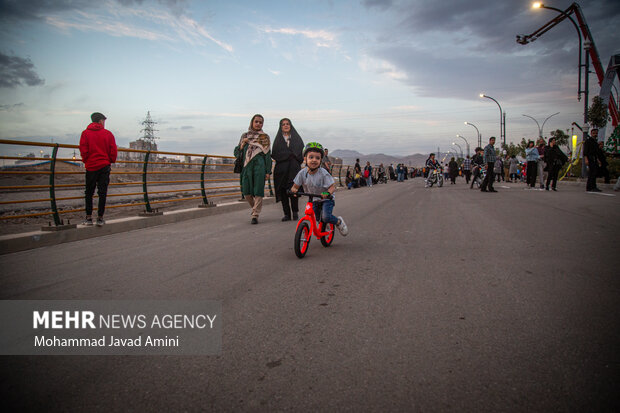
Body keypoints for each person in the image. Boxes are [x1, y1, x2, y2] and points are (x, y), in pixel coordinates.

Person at [290, 142, 348, 236]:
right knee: (317, 218)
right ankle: (323, 225)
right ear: (305, 159)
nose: (314, 160)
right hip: (314, 199)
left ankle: (338, 222)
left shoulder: (323, 173)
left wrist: (327, 193)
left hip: (326, 199)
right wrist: (293, 191)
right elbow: (295, 186)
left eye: (317, 158)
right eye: (311, 157)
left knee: (325, 217)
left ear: (321, 160)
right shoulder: (302, 173)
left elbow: (332, 186)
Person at [79, 112, 117, 226]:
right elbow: (113, 150)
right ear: (100, 121)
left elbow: (83, 149)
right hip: (104, 166)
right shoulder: (108, 134)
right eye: (104, 121)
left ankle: (88, 218)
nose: (104, 123)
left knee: (89, 192)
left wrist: (87, 160)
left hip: (91, 166)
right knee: (102, 192)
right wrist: (109, 161)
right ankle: (100, 218)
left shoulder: (85, 133)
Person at [235, 114, 271, 224]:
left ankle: (255, 215)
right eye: (256, 121)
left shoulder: (265, 137)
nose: (258, 124)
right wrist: (242, 145)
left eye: (261, 122)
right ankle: (255, 209)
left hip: (259, 166)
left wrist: (268, 171)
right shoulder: (244, 136)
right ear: (252, 122)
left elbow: (267, 155)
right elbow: (236, 153)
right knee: (246, 192)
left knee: (258, 191)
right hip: (246, 167)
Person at [271, 118, 304, 221]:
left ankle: (295, 212)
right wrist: (289, 154)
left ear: (291, 126)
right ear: (280, 127)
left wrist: (293, 156)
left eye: (287, 124)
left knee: (293, 189)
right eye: (283, 124)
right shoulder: (278, 140)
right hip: (281, 170)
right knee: (283, 191)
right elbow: (275, 154)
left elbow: (301, 152)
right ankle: (286, 214)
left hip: (294, 169)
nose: (285, 126)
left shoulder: (297, 138)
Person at [583, 128, 602, 192]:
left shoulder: (595, 142)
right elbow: (585, 152)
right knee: (592, 173)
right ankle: (590, 187)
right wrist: (586, 159)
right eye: (594, 133)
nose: (595, 134)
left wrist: (598, 160)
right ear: (591, 134)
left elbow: (596, 152)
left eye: (596, 133)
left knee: (594, 173)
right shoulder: (588, 141)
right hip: (590, 158)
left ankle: (592, 186)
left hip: (594, 159)